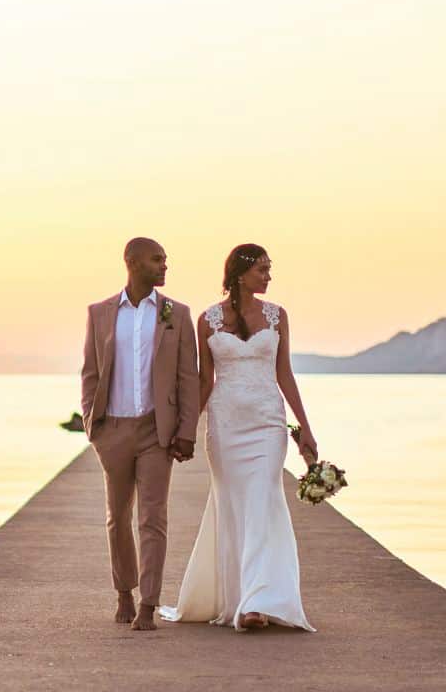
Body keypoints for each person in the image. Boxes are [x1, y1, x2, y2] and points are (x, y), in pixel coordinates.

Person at [159, 243, 318, 631]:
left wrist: (305, 429)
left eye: (269, 269)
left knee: (263, 501)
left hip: (267, 423)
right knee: (232, 506)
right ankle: (240, 595)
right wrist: (185, 431)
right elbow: (204, 380)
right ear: (241, 272)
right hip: (226, 426)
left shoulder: (277, 316)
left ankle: (258, 602)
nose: (268, 276)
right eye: (262, 269)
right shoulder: (208, 320)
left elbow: (285, 374)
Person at [78, 237, 200, 631]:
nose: (165, 265)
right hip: (112, 429)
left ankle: (149, 603)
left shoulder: (175, 313)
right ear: (132, 262)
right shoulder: (99, 313)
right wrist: (92, 426)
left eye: (165, 259)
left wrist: (186, 430)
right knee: (117, 517)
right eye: (157, 259)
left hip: (155, 430)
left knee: (153, 517)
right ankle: (124, 593)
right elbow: (90, 372)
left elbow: (187, 377)